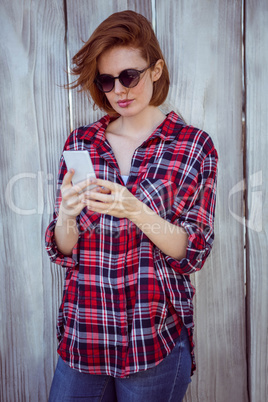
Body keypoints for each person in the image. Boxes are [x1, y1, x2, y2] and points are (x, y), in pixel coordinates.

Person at [45, 9, 218, 402]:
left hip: (152, 341)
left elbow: (193, 250)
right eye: (107, 80)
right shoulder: (81, 142)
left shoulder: (194, 147)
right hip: (84, 336)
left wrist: (134, 208)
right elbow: (64, 247)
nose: (119, 89)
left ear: (155, 70)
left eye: (130, 76)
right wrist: (68, 216)